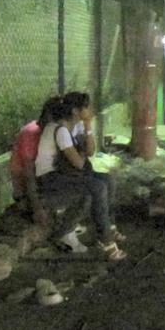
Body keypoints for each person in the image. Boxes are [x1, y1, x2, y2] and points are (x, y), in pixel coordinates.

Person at [34, 92, 127, 261]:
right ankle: (106, 241)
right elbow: (79, 163)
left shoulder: (73, 127)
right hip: (50, 179)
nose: (91, 110)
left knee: (107, 179)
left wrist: (88, 124)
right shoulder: (60, 129)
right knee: (97, 187)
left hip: (64, 174)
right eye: (87, 107)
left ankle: (109, 226)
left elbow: (90, 151)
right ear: (76, 111)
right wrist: (84, 158)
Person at [8, 96, 62, 226]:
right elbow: (28, 176)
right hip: (26, 189)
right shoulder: (31, 134)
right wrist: (37, 209)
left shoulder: (53, 132)